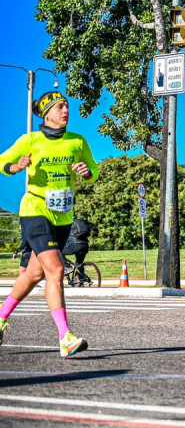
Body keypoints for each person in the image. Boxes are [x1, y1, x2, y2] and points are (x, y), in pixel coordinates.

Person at [0, 91, 99, 356]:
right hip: (34, 210)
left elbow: (93, 170)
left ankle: (0, 317)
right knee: (55, 270)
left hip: (63, 216)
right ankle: (65, 337)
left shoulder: (77, 142)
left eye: (67, 105)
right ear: (47, 114)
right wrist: (15, 166)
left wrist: (87, 172)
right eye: (59, 107)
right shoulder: (30, 140)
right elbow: (2, 162)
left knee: (33, 274)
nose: (66, 110)